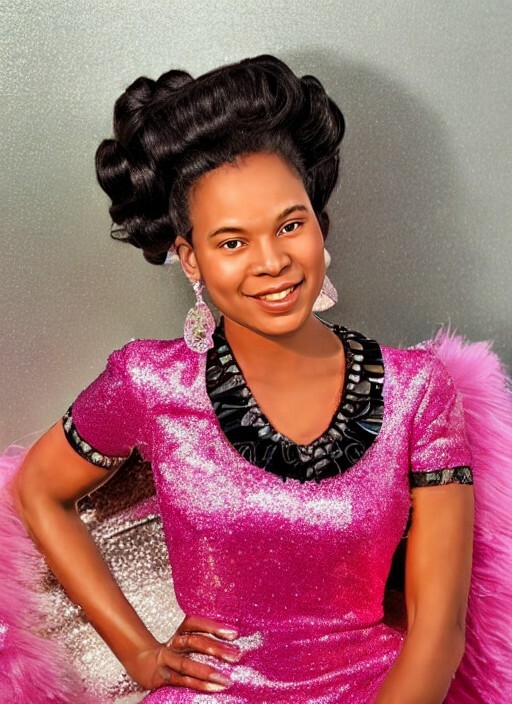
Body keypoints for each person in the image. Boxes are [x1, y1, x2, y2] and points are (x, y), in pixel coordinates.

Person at [1, 54, 511, 704]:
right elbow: (39, 491)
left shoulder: (418, 391)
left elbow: (439, 633)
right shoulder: (148, 382)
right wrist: (140, 653)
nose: (271, 262)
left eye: (290, 225)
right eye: (232, 242)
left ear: (320, 227)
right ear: (191, 258)